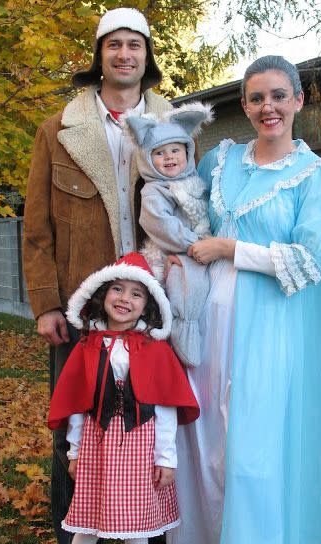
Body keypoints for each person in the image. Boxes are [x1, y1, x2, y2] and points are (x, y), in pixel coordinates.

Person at [167, 55, 321, 544]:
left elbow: (310, 259)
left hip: (267, 331)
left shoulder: (314, 175)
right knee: (214, 445)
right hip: (210, 326)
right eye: (254, 98)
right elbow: (179, 195)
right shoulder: (222, 161)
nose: (266, 106)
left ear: (298, 100)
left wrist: (230, 250)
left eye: (277, 96)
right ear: (242, 106)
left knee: (256, 453)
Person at [22, 7, 173, 544]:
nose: (125, 55)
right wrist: (45, 304)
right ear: (100, 55)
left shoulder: (173, 124)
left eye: (135, 45)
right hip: (82, 307)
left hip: (153, 300)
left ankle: (151, 537)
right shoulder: (57, 128)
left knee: (147, 417)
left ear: (147, 56)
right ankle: (74, 538)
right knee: (77, 420)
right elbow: (36, 228)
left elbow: (188, 211)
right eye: (114, 45)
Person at [48, 252, 199, 544]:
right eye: (118, 289)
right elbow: (80, 407)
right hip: (97, 445)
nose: (125, 299)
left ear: (148, 304)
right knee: (88, 514)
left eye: (136, 294)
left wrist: (166, 458)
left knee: (137, 522)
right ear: (102, 294)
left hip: (140, 445)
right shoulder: (88, 347)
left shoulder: (155, 350)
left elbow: (164, 407)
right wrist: (73, 452)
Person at [122, 102, 213, 366]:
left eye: (176, 150)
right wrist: (196, 244)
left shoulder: (194, 182)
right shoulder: (154, 191)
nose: (169, 157)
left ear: (188, 150)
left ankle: (195, 332)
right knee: (186, 287)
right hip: (172, 251)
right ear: (147, 159)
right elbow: (162, 225)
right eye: (159, 153)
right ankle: (182, 331)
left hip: (198, 249)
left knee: (203, 289)